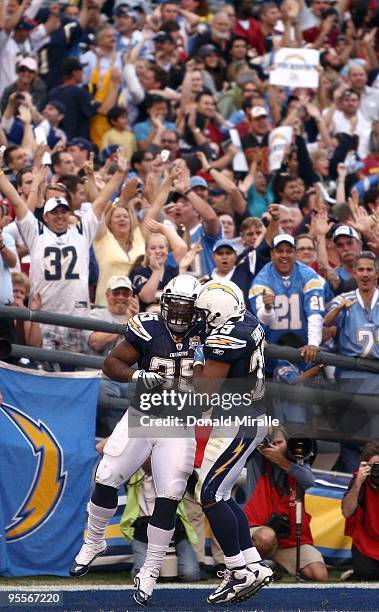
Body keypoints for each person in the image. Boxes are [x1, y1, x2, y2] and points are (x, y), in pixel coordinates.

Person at [70, 275, 205, 607]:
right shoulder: (147, 326)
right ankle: (94, 541)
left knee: (169, 495)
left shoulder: (208, 334)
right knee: (105, 476)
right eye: (173, 306)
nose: (177, 314)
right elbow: (110, 362)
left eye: (185, 308)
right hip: (142, 416)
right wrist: (137, 375)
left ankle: (151, 569)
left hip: (179, 424)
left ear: (197, 309)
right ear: (163, 304)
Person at [193, 279, 273, 605]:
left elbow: (202, 395)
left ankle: (238, 571)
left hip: (238, 421)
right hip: (248, 416)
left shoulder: (226, 337)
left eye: (204, 312)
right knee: (221, 493)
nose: (200, 318)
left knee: (209, 494)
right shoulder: (249, 322)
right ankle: (251, 562)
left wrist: (199, 360)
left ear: (218, 310)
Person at [0, 152, 128, 355]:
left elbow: (102, 200)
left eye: (63, 211)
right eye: (55, 212)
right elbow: (16, 201)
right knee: (46, 368)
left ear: (69, 212)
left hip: (76, 317)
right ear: (45, 216)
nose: (60, 216)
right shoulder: (36, 233)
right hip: (45, 316)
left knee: (76, 371)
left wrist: (120, 173)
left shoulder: (81, 232)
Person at [244, 427, 328, 582]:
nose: (275, 447)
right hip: (258, 532)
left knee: (319, 575)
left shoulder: (297, 461)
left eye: (279, 442)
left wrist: (281, 460)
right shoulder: (255, 460)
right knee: (266, 537)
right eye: (272, 443)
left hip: (289, 540)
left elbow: (309, 480)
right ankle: (257, 566)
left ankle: (274, 565)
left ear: (288, 443)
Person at [249, 234, 325, 366]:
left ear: (295, 254)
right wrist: (267, 308)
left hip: (303, 350)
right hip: (272, 351)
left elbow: (315, 313)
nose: (284, 255)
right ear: (272, 254)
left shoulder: (309, 276)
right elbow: (263, 319)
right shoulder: (262, 280)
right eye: (279, 251)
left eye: (289, 251)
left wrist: (313, 343)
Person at [324, 251, 379, 387]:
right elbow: (327, 322)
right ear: (354, 274)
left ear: (376, 273)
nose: (365, 274)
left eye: (369, 270)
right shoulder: (343, 299)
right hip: (352, 371)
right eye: (360, 270)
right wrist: (338, 310)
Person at [341, 440, 379, 580]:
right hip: (366, 541)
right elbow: (346, 512)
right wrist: (358, 484)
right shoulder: (359, 481)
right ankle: (357, 572)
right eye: (374, 467)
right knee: (366, 575)